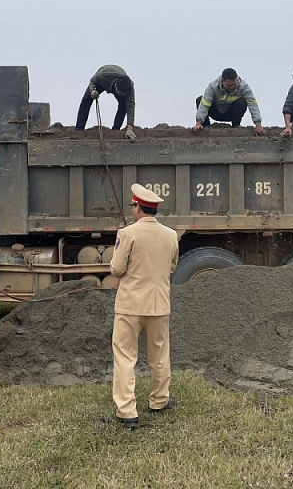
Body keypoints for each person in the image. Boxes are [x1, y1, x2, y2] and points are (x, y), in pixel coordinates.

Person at [108, 183, 179, 430]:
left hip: (130, 305)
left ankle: (127, 412)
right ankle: (160, 400)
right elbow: (172, 266)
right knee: (159, 354)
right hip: (159, 305)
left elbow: (117, 269)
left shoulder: (127, 233)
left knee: (125, 357)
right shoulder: (171, 235)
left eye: (133, 205)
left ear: (138, 207)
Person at [192, 68, 267, 135]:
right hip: (216, 112)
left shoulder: (243, 87)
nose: (233, 87)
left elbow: (253, 104)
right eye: (229, 85)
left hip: (231, 114)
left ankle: (236, 126)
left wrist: (258, 124)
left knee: (242, 102)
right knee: (200, 100)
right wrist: (198, 123)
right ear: (222, 81)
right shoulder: (213, 87)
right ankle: (204, 127)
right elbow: (204, 105)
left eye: (235, 84)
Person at [75, 64, 137, 140]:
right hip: (102, 82)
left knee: (123, 105)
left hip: (117, 84)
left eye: (125, 94)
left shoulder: (130, 87)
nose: (123, 96)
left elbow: (130, 106)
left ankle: (116, 129)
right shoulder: (103, 75)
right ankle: (79, 129)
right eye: (121, 94)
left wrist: (130, 128)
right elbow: (92, 81)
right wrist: (92, 91)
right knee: (86, 100)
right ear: (115, 86)